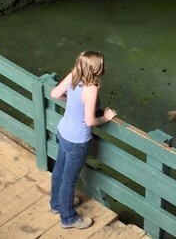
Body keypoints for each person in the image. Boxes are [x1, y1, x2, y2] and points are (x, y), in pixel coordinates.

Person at [49, 50, 117, 230]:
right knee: (69, 180)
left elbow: (54, 94)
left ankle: (56, 204)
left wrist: (72, 103)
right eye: (102, 65)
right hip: (77, 141)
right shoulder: (92, 87)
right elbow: (90, 121)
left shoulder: (74, 75)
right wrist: (107, 117)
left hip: (63, 131)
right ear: (95, 69)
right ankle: (68, 218)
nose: (105, 67)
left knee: (59, 170)